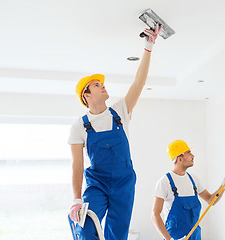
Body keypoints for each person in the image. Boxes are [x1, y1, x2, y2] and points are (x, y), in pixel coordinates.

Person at [68, 25, 162, 240]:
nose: (103, 86)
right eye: (96, 85)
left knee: (117, 235)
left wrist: (148, 46)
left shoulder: (120, 112)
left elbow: (139, 82)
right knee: (86, 226)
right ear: (87, 96)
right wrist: (76, 198)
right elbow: (78, 165)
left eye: (102, 83)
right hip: (97, 183)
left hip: (124, 182)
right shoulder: (79, 126)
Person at [152, 140, 225, 240]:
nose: (193, 156)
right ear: (180, 158)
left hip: (195, 236)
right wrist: (169, 239)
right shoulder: (164, 182)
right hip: (175, 237)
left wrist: (223, 186)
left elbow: (210, 200)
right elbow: (155, 215)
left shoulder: (193, 180)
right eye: (188, 153)